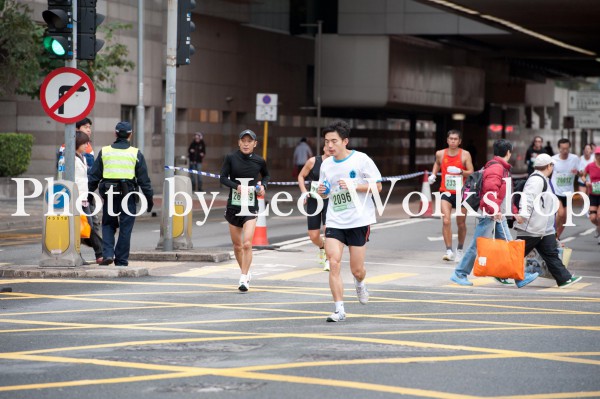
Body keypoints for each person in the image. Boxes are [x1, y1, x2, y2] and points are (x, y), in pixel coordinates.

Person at [317, 120, 382, 322]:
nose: (329, 146)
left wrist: (354, 185)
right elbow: (325, 192)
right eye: (327, 141)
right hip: (335, 220)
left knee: (357, 269)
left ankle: (360, 283)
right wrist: (323, 192)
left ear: (345, 141)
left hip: (359, 220)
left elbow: (378, 187)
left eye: (334, 141)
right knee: (333, 263)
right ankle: (339, 309)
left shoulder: (361, 160)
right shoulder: (326, 164)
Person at [450, 139, 539, 288]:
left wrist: (513, 212)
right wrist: (495, 210)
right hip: (490, 214)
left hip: (497, 214)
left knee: (507, 246)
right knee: (479, 246)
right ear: (508, 152)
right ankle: (459, 274)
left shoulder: (499, 167)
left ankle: (519, 277)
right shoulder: (497, 169)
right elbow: (490, 192)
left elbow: (503, 195)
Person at [88, 121, 154, 267]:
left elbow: (93, 177)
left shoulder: (105, 152)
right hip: (128, 196)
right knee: (125, 228)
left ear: (115, 134)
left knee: (108, 224)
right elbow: (144, 181)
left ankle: (108, 254)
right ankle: (121, 260)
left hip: (109, 195)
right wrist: (149, 200)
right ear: (130, 135)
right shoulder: (135, 153)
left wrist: (88, 194)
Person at [514, 153, 582, 288]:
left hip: (543, 228)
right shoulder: (536, 180)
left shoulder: (542, 179)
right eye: (552, 165)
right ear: (549, 166)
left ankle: (564, 278)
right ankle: (501, 273)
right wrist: (523, 215)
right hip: (532, 227)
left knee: (551, 254)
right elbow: (528, 198)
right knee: (516, 255)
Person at [220, 129, 270, 292]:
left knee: (248, 243)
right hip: (234, 205)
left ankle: (243, 277)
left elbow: (267, 176)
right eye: (244, 141)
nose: (246, 144)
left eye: (250, 141)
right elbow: (223, 178)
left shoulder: (259, 161)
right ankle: (245, 272)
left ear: (255, 144)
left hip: (250, 206)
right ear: (239, 142)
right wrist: (237, 186)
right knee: (237, 245)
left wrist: (263, 186)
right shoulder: (231, 158)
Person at [428, 130, 474, 262]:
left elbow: (471, 172)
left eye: (456, 139)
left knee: (461, 223)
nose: (453, 141)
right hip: (445, 192)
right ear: (447, 140)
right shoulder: (440, 153)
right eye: (451, 139)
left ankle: (459, 250)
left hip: (461, 193)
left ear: (459, 141)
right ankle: (449, 251)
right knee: (446, 220)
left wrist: (460, 171)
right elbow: (437, 163)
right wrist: (433, 174)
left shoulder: (465, 154)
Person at [298, 144, 330, 272]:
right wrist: (304, 192)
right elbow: (301, 176)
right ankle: (322, 247)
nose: (330, 147)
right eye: (327, 145)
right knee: (313, 235)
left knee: (328, 230)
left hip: (330, 200)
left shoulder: (338, 163)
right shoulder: (313, 161)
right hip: (313, 200)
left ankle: (329, 259)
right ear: (323, 148)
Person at [74, 131, 102, 261]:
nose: (87, 145)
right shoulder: (70, 159)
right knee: (81, 227)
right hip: (75, 198)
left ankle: (99, 253)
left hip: (84, 198)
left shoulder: (82, 157)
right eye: (85, 143)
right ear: (78, 143)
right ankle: (100, 253)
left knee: (86, 226)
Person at [550, 138, 580, 240]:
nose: (565, 151)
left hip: (568, 193)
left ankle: (557, 237)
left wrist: (578, 173)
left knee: (566, 219)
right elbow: (547, 173)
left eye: (567, 148)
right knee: (561, 213)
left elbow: (581, 172)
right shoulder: (553, 159)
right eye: (563, 149)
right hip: (556, 192)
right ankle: (552, 232)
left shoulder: (574, 158)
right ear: (559, 148)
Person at [581, 146, 600, 242]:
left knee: (599, 215)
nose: (599, 156)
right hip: (593, 194)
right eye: (597, 154)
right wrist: (586, 182)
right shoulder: (590, 166)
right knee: (593, 218)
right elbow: (583, 176)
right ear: (595, 155)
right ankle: (598, 227)